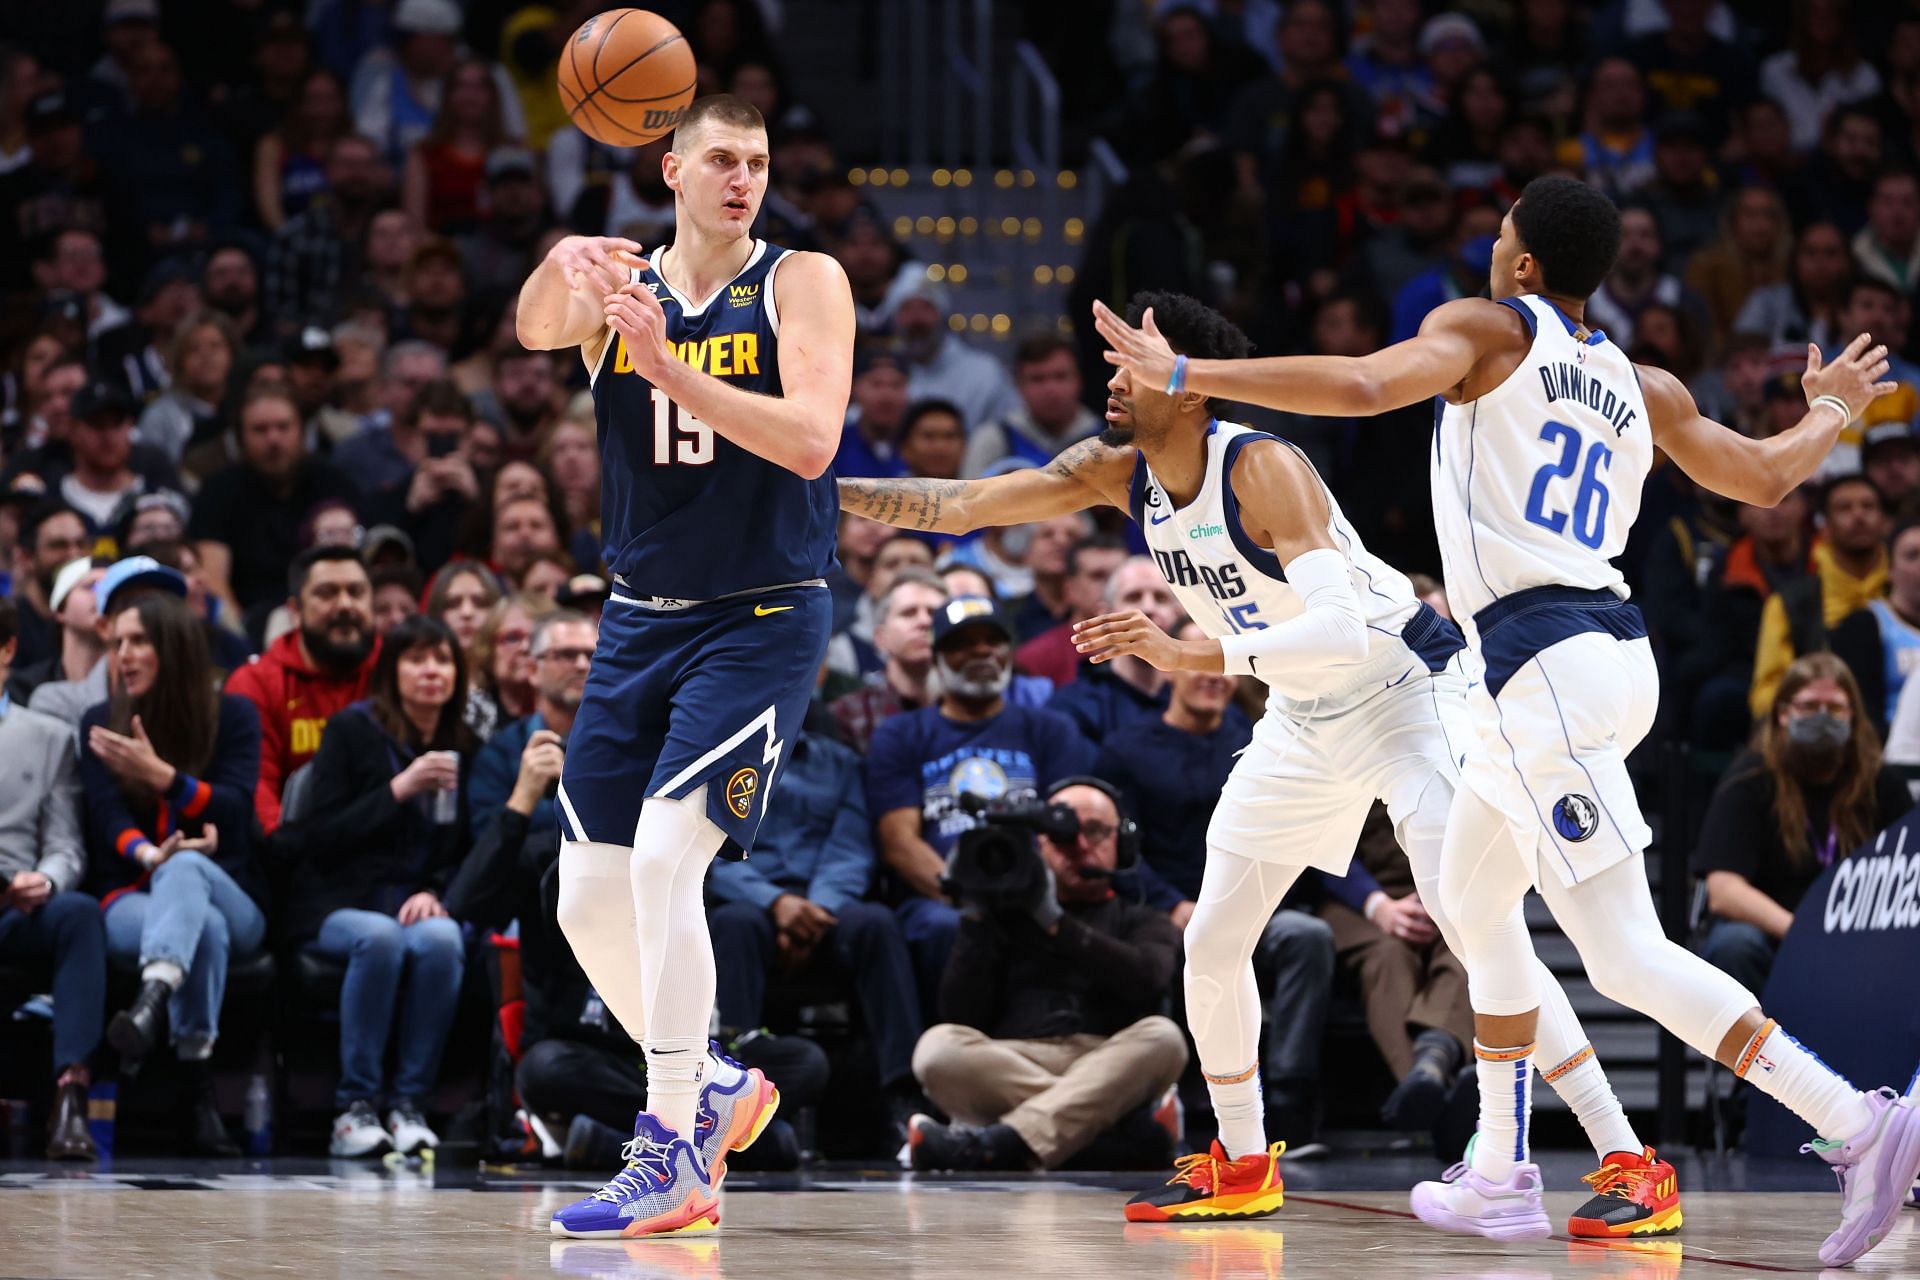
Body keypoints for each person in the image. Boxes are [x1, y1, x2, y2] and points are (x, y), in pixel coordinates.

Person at [1094, 173, 1911, 1264]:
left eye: (1500, 234)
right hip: (1580, 660)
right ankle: (1499, 1167)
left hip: (1546, 667)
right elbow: (1765, 476)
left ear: (1527, 265)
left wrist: (1190, 371)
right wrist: (1835, 408)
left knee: (1623, 955)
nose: (1488, 246)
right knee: (1474, 904)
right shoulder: (1643, 381)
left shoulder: (1487, 329)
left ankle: (1859, 1121)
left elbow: (1363, 382)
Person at [847, 284, 1672, 1233]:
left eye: (1131, 365)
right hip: (1301, 712)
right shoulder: (1120, 472)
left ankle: (1627, 1157)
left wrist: (1186, 652)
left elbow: (1339, 634)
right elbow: (964, 506)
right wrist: (813, 482)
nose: (1110, 380)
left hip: (1408, 691)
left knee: (1477, 931)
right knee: (1215, 939)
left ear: (1188, 386)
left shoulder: (1264, 468)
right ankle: (1241, 1159)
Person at [515, 93, 854, 1238]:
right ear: (670, 167)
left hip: (760, 608)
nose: (741, 176)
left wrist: (666, 369)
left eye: (757, 160)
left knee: (668, 855)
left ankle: (669, 1147)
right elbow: (526, 331)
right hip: (637, 611)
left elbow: (812, 438)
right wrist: (561, 265)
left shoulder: (801, 280)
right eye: (720, 157)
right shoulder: (624, 282)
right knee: (584, 893)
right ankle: (708, 1082)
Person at [907, 779, 1188, 1173]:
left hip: (1108, 1059)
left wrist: (1055, 923)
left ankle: (991, 1146)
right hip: (1014, 1058)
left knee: (1164, 1038)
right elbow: (961, 1015)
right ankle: (1115, 1136)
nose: (1080, 846)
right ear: (1039, 844)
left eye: (1093, 832)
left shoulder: (1144, 919)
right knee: (936, 1048)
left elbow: (1147, 980)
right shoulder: (1000, 918)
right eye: (1062, 837)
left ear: (1122, 843)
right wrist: (975, 911)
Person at [276, 614, 474, 1159]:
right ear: (391, 671)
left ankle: (409, 1103)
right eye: (416, 659)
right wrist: (398, 789)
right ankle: (354, 1106)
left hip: (410, 902)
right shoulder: (352, 730)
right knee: (381, 939)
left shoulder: (463, 742)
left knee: (442, 940)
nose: (430, 671)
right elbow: (315, 836)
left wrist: (440, 893)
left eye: (441, 659)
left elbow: (465, 849)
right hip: (335, 901)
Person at [78, 592, 262, 1155]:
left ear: (174, 648)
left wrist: (164, 778)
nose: (124, 655)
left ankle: (153, 998)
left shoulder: (232, 714)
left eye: (138, 642)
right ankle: (196, 1085)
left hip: (233, 891)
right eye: (116, 645)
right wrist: (149, 856)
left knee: (190, 872)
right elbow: (107, 818)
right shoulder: (98, 722)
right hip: (134, 892)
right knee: (197, 922)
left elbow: (235, 808)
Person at [865, 597, 1093, 1016]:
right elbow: (899, 842)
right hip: (944, 896)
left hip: (1038, 887)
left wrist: (1028, 894)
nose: (982, 651)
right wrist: (966, 895)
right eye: (963, 643)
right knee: (941, 928)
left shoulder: (1049, 729)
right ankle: (943, 1058)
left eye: (993, 640)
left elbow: (1070, 822)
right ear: (937, 659)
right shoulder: (901, 735)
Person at [708, 726, 924, 1114]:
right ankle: (731, 1099)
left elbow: (852, 848)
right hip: (752, 902)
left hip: (828, 905)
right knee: (734, 925)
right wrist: (775, 902)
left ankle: (903, 1098)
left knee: (876, 924)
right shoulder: (719, 757)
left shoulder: (839, 762)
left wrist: (814, 912)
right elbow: (708, 851)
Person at [1695, 654, 1910, 996]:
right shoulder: (1751, 779)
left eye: (1835, 707)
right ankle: (1749, 1051)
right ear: (1782, 713)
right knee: (1734, 945)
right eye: (1809, 706)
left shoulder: (1882, 785)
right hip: (1776, 933)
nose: (1823, 718)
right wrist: (1801, 932)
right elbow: (1723, 891)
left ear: (1853, 716)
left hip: (1864, 938)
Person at [0, 595, 103, 1160]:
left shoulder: (47, 735)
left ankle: (71, 1100)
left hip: (16, 902)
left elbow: (65, 843)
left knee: (80, 913)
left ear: (8, 649)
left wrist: (46, 880)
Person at [223, 546, 378, 836]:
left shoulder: (396, 669)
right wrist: (285, 848)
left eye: (356, 592)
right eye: (326, 593)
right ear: (295, 611)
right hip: (293, 851)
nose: (345, 604)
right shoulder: (256, 683)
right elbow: (257, 787)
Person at [189, 386, 361, 630]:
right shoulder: (218, 492)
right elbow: (214, 580)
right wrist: (245, 646)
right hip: (252, 624)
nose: (274, 439)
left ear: (301, 430)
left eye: (283, 427)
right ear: (239, 439)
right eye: (260, 430)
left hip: (330, 618)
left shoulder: (334, 483)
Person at [1749, 475, 1889, 720]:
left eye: (1868, 506)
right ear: (1824, 525)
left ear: (1885, 521)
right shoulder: (1790, 602)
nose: (1858, 515)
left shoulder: (1907, 590)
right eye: (1844, 508)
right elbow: (1766, 692)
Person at [827, 569, 945, 754]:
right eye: (908, 613)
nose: (924, 621)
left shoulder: (974, 706)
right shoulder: (848, 714)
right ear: (880, 637)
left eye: (934, 613)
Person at [962, 334, 1102, 478]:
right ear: (1018, 384)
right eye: (1037, 379)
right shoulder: (992, 440)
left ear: (1079, 380)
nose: (1050, 389)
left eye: (1060, 376)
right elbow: (969, 499)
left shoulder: (1106, 437)